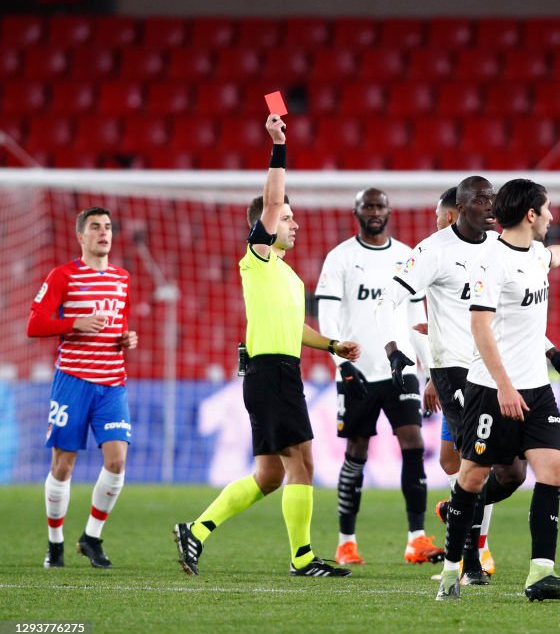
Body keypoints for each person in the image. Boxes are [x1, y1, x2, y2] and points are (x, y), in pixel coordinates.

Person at [173, 114, 359, 578]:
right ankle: (302, 558)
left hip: (277, 371)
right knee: (303, 462)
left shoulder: (291, 277)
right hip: (271, 373)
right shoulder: (256, 259)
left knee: (271, 475)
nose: (295, 225)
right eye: (288, 218)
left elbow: (295, 329)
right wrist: (279, 146)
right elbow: (274, 197)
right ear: (266, 224)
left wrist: (332, 344)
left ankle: (195, 531)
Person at [434, 177, 560, 602]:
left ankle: (539, 576)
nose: (552, 217)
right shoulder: (491, 261)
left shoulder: (533, 252)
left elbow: (552, 257)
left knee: (553, 472)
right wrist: (505, 387)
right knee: (471, 479)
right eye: (547, 210)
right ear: (531, 215)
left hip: (536, 388)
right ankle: (449, 573)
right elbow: (480, 327)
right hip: (492, 390)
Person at [375, 177, 518, 583]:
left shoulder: (499, 247)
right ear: (460, 207)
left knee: (513, 473)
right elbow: (390, 298)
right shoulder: (433, 250)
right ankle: (469, 564)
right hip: (453, 369)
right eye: (481, 200)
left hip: (495, 368)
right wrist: (393, 348)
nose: (490, 206)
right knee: (474, 462)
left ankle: (455, 509)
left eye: (493, 199)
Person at [316, 187, 441, 567]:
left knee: (414, 444)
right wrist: (339, 361)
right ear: (356, 211)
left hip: (400, 370)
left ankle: (416, 539)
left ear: (389, 211)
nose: (374, 211)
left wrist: (429, 370)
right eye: (367, 205)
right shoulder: (341, 258)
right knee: (356, 451)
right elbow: (327, 312)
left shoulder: (407, 257)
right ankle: (346, 542)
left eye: (379, 206)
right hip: (357, 371)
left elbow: (415, 319)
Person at [28, 206, 138, 569]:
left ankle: (91, 537)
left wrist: (126, 339)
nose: (103, 233)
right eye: (95, 227)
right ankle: (55, 543)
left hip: (112, 383)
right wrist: (75, 322)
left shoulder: (122, 278)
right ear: (81, 236)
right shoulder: (63, 276)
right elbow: (35, 324)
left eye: (108, 227)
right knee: (63, 465)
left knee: (118, 461)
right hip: (73, 381)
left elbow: (118, 324)